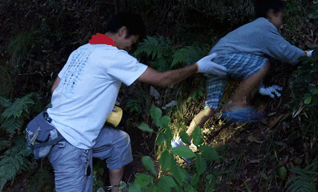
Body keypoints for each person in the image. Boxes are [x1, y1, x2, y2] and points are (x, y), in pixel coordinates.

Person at [43, 12, 227, 192]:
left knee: (118, 142)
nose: (131, 47)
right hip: (70, 143)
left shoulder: (81, 50)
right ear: (123, 31)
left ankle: (114, 189)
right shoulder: (113, 56)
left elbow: (55, 89)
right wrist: (197, 67)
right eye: (133, 41)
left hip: (51, 128)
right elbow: (163, 80)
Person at [172, 0, 318, 149]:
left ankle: (182, 142)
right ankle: (236, 104)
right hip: (224, 58)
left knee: (210, 108)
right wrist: (312, 54)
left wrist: (261, 87)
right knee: (264, 64)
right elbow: (289, 54)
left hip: (213, 60)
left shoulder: (255, 28)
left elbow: (249, 62)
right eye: (281, 17)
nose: (282, 23)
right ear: (271, 14)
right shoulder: (265, 27)